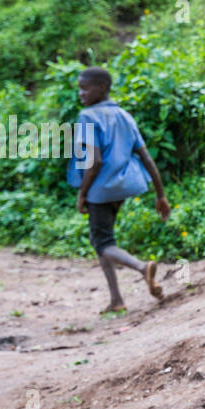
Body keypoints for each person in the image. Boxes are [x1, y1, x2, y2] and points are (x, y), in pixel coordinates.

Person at [68, 67, 170, 313]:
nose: (81, 93)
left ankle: (141, 267)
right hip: (122, 188)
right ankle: (116, 300)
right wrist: (160, 194)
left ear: (101, 88)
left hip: (100, 190)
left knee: (102, 243)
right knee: (103, 241)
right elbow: (145, 156)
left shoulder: (86, 117)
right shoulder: (124, 115)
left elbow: (94, 162)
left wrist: (82, 193)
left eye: (85, 88)